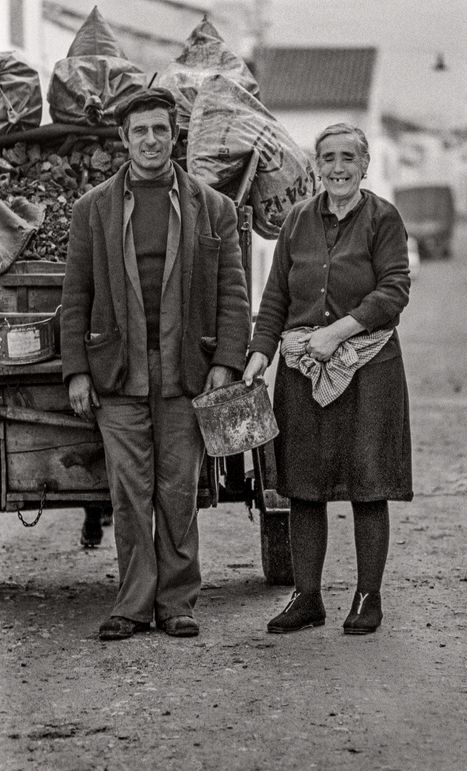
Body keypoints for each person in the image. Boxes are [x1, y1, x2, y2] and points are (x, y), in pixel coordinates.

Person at [61, 87, 250, 641]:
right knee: (128, 494)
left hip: (184, 373)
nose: (150, 140)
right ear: (124, 139)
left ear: (175, 136)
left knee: (178, 492)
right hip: (118, 375)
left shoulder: (213, 207)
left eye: (160, 130)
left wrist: (227, 364)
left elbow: (233, 293)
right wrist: (76, 369)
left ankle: (177, 603)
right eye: (139, 131)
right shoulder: (92, 208)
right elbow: (76, 295)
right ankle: (133, 604)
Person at [243, 123, 412, 635]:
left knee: (368, 482)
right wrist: (258, 355)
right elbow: (274, 298)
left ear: (363, 164)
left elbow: (395, 289)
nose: (338, 168)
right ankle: (307, 597)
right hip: (302, 369)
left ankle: (367, 599)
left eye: (347, 158)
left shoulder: (383, 218)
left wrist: (338, 332)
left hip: (369, 369)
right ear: (317, 165)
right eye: (328, 159)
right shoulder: (297, 221)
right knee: (303, 486)